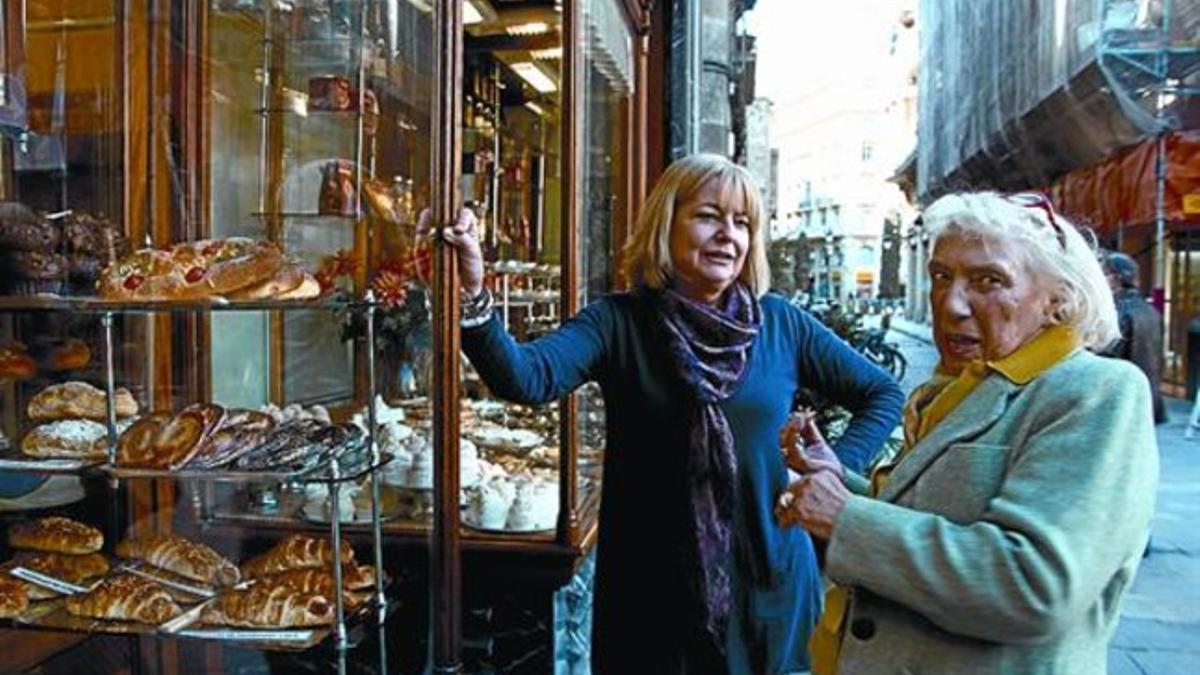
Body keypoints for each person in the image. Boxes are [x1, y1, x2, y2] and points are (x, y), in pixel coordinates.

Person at [441, 153, 904, 674]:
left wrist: (832, 470)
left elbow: (883, 394)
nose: (728, 234)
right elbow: (525, 377)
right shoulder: (619, 323)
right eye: (708, 216)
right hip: (652, 599)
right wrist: (474, 294)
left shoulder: (782, 325)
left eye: (743, 222)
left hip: (767, 588)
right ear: (667, 221)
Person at [777, 191, 1158, 675]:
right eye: (941, 276)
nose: (952, 304)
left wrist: (844, 518)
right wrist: (838, 481)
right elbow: (931, 516)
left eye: (988, 280)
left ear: (1057, 298)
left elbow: (1032, 585)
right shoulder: (961, 387)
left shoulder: (1097, 391)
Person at [1103, 251, 1167, 424]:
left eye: (1105, 274)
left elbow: (1107, 358)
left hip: (1122, 402)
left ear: (1115, 279)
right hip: (1147, 398)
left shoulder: (1116, 313)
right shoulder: (1150, 310)